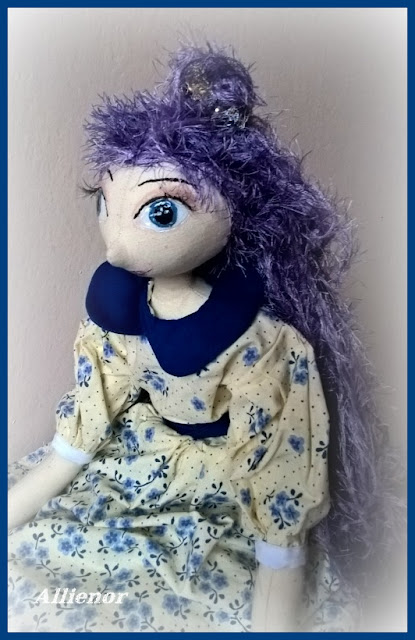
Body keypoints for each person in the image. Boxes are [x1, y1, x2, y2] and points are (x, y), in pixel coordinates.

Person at [8, 44, 393, 632]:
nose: (116, 246)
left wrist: (279, 544)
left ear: (233, 211)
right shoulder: (117, 311)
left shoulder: (260, 344)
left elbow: (279, 446)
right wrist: (68, 456)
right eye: (106, 203)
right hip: (146, 441)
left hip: (225, 462)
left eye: (161, 213)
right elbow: (97, 395)